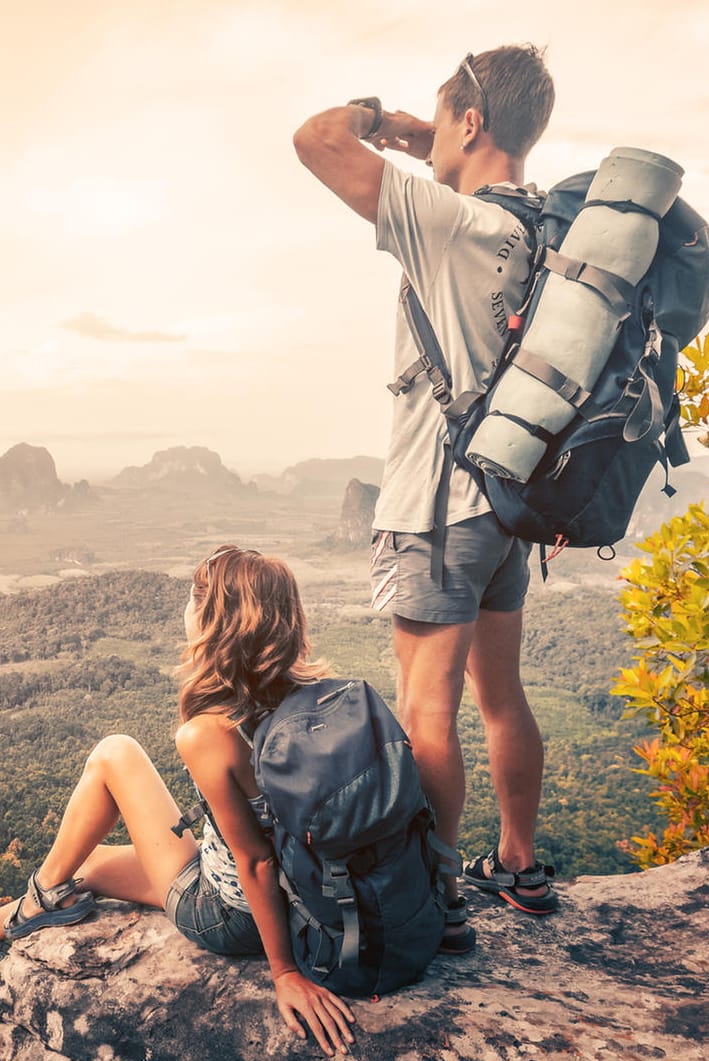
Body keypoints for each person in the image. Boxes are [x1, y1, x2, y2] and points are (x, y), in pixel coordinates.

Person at [289, 46, 561, 951]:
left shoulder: (450, 223)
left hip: (439, 508)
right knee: (502, 697)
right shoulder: (542, 234)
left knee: (427, 708)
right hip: (505, 505)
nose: (428, 136)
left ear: (471, 124)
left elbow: (316, 138)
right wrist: (433, 132)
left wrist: (389, 126)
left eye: (445, 121)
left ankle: (434, 898)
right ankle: (517, 863)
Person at [0, 545, 357, 1058]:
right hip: (302, 898)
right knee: (89, 862)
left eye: (193, 601)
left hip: (231, 914)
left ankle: (27, 905)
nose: (185, 612)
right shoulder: (315, 696)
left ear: (214, 622)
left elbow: (254, 860)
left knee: (114, 754)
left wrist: (284, 973)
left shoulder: (208, 733)